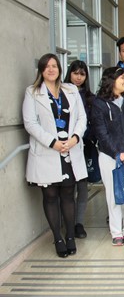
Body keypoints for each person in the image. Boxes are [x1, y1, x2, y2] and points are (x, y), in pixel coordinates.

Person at [22, 53, 87, 258]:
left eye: (54, 66)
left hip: (70, 149)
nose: (51, 69)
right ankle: (58, 238)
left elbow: (82, 118)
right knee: (50, 196)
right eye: (46, 66)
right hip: (48, 150)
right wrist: (53, 143)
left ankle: (70, 237)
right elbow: (30, 123)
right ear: (41, 70)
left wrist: (75, 137)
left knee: (68, 195)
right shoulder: (32, 92)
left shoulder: (71, 90)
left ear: (60, 69)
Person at [91, 67, 124, 246]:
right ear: (111, 81)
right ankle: (116, 232)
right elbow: (101, 132)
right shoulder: (99, 104)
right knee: (113, 196)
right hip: (110, 157)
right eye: (122, 78)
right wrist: (117, 153)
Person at [64, 60, 96, 239]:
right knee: (66, 188)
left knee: (82, 187)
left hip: (84, 146)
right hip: (64, 146)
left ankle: (78, 223)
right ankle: (66, 222)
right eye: (75, 73)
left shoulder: (91, 97)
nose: (78, 77)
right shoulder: (60, 92)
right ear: (69, 74)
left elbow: (92, 122)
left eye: (82, 74)